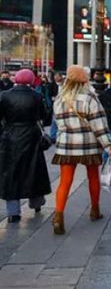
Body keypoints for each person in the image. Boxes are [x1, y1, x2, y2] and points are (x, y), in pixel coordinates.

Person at [51, 65, 111, 235]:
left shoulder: (59, 99)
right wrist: (108, 146)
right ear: (84, 81)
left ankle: (58, 216)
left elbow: (58, 124)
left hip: (66, 145)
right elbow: (99, 125)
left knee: (65, 182)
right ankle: (95, 210)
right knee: (93, 176)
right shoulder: (90, 98)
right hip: (89, 145)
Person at [0, 69, 52, 223]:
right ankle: (36, 203)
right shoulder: (36, 96)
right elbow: (45, 117)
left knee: (11, 174)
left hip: (10, 137)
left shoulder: (4, 96)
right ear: (30, 80)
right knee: (33, 170)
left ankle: (13, 213)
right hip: (31, 136)